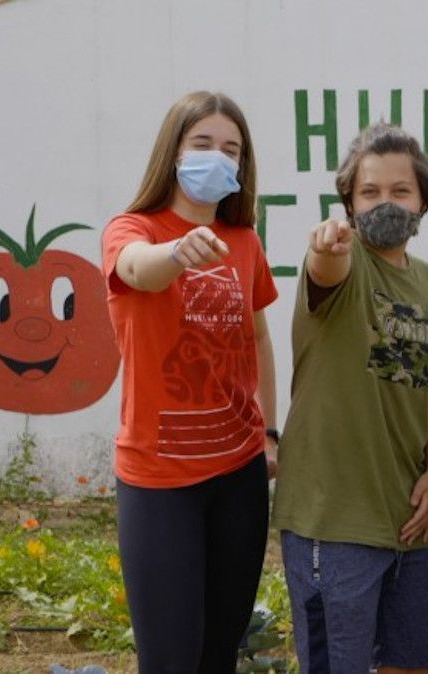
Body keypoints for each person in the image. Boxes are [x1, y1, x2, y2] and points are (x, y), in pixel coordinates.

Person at [102, 91, 278, 673]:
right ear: (173, 153)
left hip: (239, 475)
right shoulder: (132, 229)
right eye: (202, 144)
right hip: (159, 482)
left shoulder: (246, 241)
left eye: (231, 149)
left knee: (218, 655)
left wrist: (269, 433)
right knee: (170, 659)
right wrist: (176, 252)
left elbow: (258, 339)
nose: (217, 158)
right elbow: (134, 270)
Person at [272, 122, 428, 673]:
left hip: (408, 522)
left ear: (423, 199)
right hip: (335, 520)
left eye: (400, 191)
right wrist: (327, 247)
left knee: (410, 663)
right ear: (348, 202)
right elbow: (327, 265)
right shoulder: (342, 266)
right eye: (369, 192)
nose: (385, 203)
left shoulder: (426, 280)